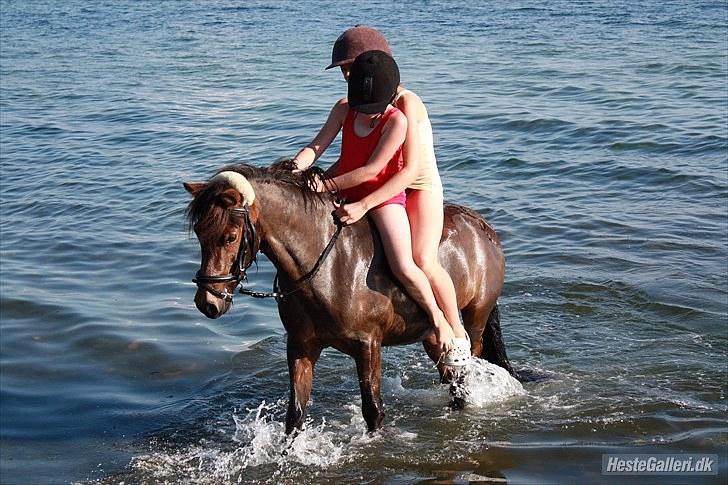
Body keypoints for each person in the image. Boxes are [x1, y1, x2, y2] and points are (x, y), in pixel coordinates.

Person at [293, 27, 470, 365]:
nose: (346, 75)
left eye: (350, 66)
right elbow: (334, 152)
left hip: (416, 184)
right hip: (371, 183)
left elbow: (399, 169)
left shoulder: (405, 105)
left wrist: (338, 188)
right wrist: (297, 171)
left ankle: (452, 328)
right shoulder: (350, 105)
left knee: (421, 259)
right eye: (343, 69)